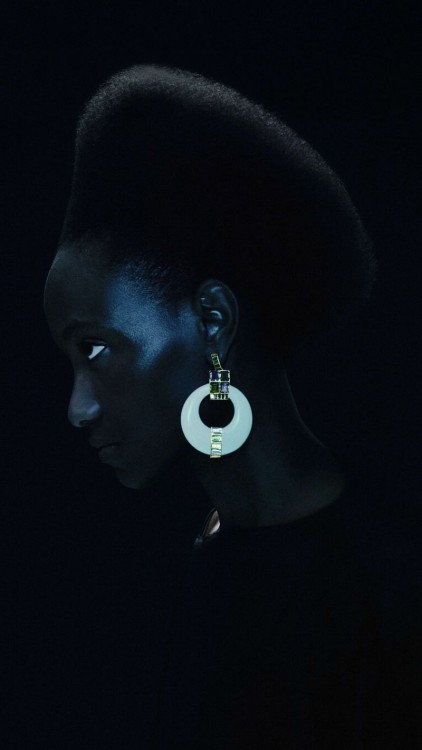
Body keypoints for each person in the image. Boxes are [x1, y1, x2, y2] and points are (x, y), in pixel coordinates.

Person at [44, 65, 420, 748]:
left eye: (96, 351)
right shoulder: (194, 563)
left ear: (213, 321)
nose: (78, 408)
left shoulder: (386, 585)